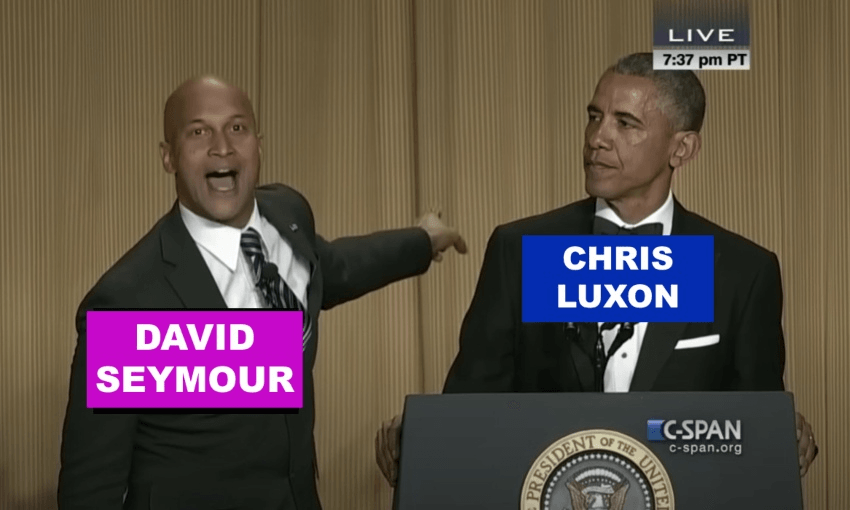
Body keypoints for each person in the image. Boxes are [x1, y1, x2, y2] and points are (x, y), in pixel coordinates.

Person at [375, 52, 818, 486]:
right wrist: (424, 440)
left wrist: (784, 436)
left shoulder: (742, 270)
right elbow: (471, 405)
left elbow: (751, 431)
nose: (596, 138)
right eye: (594, 116)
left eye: (625, 123)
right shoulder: (523, 250)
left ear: (681, 148)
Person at [57, 75, 467, 509]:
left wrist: (422, 240)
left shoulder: (285, 212)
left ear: (258, 143)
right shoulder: (127, 302)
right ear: (168, 157)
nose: (222, 147)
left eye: (237, 128)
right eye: (198, 132)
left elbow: (329, 268)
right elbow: (90, 488)